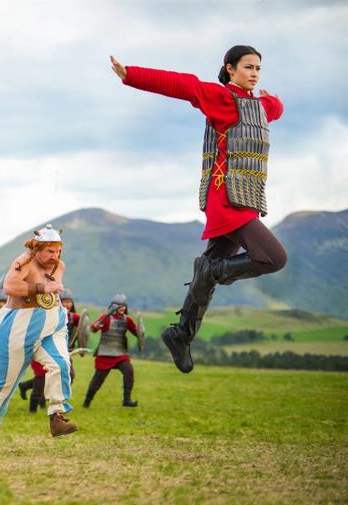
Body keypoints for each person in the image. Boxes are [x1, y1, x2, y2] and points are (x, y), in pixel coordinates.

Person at [111, 46, 287, 373]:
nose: (254, 73)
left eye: (258, 68)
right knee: (274, 258)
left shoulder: (258, 105)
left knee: (209, 265)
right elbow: (184, 85)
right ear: (230, 69)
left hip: (243, 199)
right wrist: (131, 75)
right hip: (228, 200)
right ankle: (211, 271)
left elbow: (273, 109)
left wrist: (273, 100)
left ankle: (181, 334)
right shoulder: (220, 98)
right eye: (248, 67)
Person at [0, 224, 77, 451]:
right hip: (17, 327)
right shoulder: (23, 262)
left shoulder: (59, 265)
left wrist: (49, 289)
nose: (55, 256)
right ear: (37, 248)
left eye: (58, 251)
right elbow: (10, 286)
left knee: (61, 364)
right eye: (49, 251)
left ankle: (56, 416)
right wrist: (42, 287)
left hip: (51, 323)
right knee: (5, 384)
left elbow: (53, 287)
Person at [82, 294, 139, 408]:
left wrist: (140, 331)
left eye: (123, 306)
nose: (122, 308)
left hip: (120, 353)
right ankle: (86, 402)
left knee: (129, 370)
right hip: (105, 354)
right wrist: (96, 326)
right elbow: (93, 329)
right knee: (97, 381)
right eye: (120, 306)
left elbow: (137, 332)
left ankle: (127, 400)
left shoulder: (127, 320)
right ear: (114, 307)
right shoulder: (106, 318)